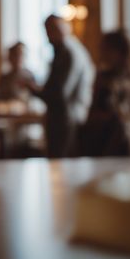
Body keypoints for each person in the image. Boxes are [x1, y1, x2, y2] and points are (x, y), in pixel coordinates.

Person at [27, 15, 95, 158]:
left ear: (64, 28)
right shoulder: (68, 50)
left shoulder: (68, 52)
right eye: (47, 31)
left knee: (61, 165)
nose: (49, 36)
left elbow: (58, 93)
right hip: (67, 117)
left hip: (66, 119)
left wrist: (32, 89)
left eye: (52, 30)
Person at [79, 30, 130, 156]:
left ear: (119, 52)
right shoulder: (104, 76)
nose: (102, 53)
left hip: (117, 139)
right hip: (101, 138)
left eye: (106, 49)